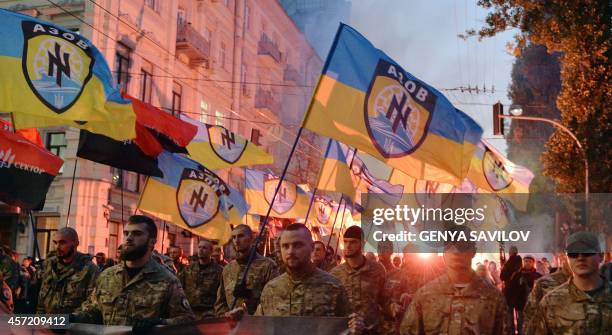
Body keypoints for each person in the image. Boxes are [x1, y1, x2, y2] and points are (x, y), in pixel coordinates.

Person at [72, 215, 194, 332]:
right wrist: (63, 320)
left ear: (152, 242)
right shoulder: (107, 276)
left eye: (137, 234)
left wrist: (159, 323)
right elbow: (92, 312)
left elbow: (187, 321)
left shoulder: (167, 280)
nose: (129, 238)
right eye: (126, 233)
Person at [251, 224, 364, 334]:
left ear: (311, 247)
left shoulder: (333, 287)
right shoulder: (271, 289)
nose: (290, 251)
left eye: (297, 245)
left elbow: (349, 326)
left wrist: (356, 328)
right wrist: (240, 320)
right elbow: (258, 327)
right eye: (285, 246)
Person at [399, 226, 512, 335]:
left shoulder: (494, 298)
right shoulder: (425, 295)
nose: (456, 251)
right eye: (450, 246)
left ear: (473, 251)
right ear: (444, 252)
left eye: (462, 245)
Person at [532, 231, 611, 334]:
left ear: (601, 256)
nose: (580, 258)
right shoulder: (550, 303)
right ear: (567, 258)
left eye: (587, 252)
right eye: (573, 254)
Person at [330, 226, 387, 333]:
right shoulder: (335, 274)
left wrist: (394, 306)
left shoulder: (377, 270)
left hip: (373, 331)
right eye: (345, 242)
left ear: (362, 244)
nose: (347, 246)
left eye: (353, 242)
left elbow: (385, 301)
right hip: (346, 331)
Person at [214, 224, 278, 316]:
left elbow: (274, 300)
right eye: (234, 237)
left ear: (251, 239)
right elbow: (220, 302)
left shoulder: (267, 266)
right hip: (232, 325)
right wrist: (226, 317)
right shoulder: (228, 269)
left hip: (257, 324)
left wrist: (252, 296)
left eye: (241, 236)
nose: (236, 240)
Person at [36, 227, 99, 314]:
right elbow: (41, 299)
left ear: (75, 243)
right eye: (55, 242)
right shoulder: (49, 265)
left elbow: (92, 303)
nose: (57, 247)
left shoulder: (89, 269)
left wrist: (71, 318)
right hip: (47, 323)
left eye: (62, 243)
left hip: (73, 325)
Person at [522, 253, 571, 335]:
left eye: (529, 261)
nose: (580, 257)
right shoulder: (544, 282)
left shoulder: (538, 276)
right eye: (574, 254)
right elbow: (530, 314)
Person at [179, 239, 223, 320]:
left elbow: (222, 295)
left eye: (204, 248)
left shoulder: (219, 271)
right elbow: (179, 288)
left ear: (211, 251)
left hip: (209, 313)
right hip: (189, 312)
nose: (201, 250)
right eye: (199, 247)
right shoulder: (188, 269)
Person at [512, 255, 542, 332]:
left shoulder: (537, 276)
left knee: (534, 324)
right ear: (523, 262)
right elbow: (512, 289)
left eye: (530, 261)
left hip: (534, 306)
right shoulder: (517, 275)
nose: (527, 263)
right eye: (526, 261)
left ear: (533, 263)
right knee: (521, 324)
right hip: (521, 305)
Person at [500, 245, 523, 333]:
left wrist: (503, 267)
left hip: (509, 292)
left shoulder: (509, 262)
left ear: (510, 253)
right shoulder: (520, 262)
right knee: (520, 317)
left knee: (510, 315)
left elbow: (502, 276)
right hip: (519, 293)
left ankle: (512, 332)